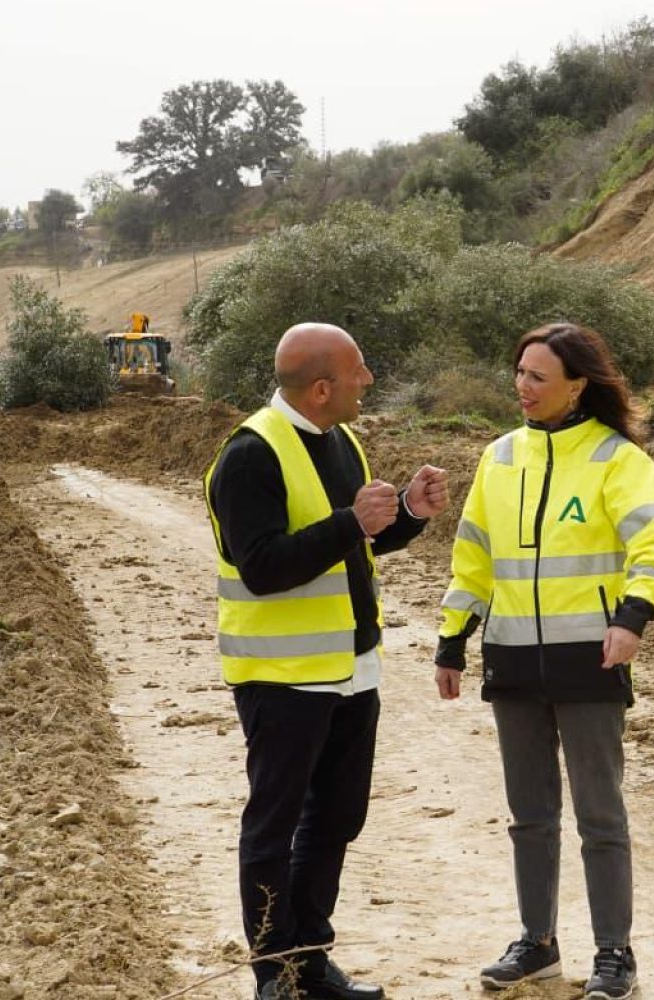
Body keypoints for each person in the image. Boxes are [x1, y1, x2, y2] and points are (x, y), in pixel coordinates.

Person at [203, 322, 451, 1000]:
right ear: (321, 388)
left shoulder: (342, 440)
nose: (368, 381)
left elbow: (355, 545)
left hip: (353, 667)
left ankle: (310, 962)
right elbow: (261, 568)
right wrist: (352, 522)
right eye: (359, 371)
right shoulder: (249, 456)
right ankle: (273, 975)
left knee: (338, 818)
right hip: (281, 678)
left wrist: (406, 513)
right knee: (274, 825)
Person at [434, 323, 654, 1000]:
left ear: (578, 385)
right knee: (529, 816)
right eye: (518, 373)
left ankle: (614, 954)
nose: (523, 387)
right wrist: (453, 638)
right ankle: (537, 944)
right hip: (512, 659)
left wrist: (633, 617)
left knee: (600, 816)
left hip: (591, 662)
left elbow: (653, 550)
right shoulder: (499, 458)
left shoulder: (617, 459)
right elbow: (473, 557)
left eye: (538, 376)